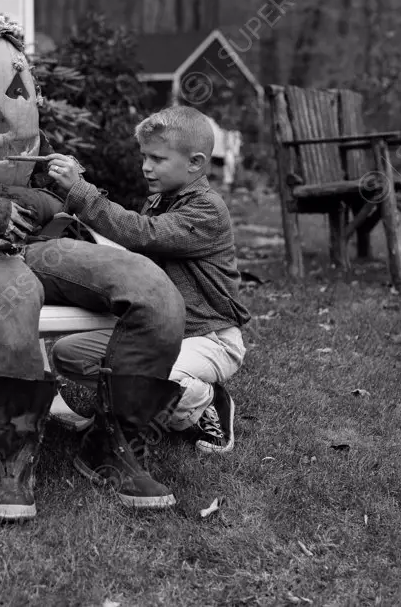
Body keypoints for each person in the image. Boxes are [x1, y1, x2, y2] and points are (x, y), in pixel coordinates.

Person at [0, 9, 187, 521]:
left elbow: (61, 210)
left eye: (17, 92)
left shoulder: (37, 173)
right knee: (16, 291)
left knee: (152, 288)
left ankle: (114, 446)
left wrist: (62, 189)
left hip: (42, 250)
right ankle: (11, 461)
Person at [46, 105, 251, 454]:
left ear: (195, 163)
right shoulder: (158, 201)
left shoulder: (207, 209)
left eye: (157, 158)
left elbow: (142, 234)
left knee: (147, 376)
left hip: (208, 337)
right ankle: (132, 403)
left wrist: (81, 192)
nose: (146, 166)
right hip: (159, 330)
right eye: (144, 156)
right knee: (68, 355)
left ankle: (205, 402)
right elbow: (137, 253)